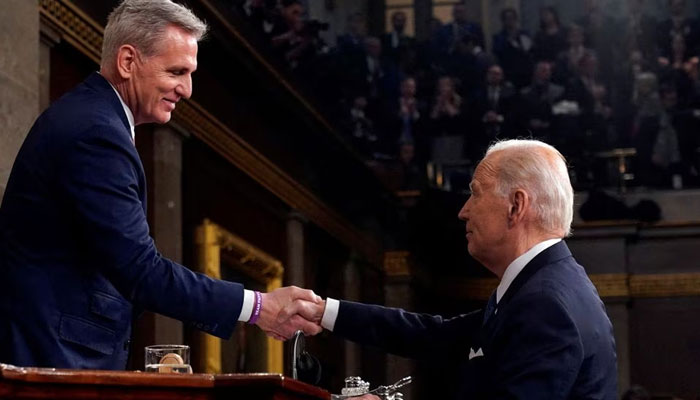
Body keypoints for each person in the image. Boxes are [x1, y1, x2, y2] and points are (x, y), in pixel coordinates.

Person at [0, 0, 320, 370]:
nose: (186, 90)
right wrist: (258, 308)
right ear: (128, 62)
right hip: (48, 361)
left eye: (190, 74)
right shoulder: (96, 132)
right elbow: (141, 270)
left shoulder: (95, 120)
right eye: (176, 72)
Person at [280, 139, 619, 399]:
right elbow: (433, 336)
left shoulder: (544, 303)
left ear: (516, 206)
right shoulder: (543, 286)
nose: (463, 211)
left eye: (475, 193)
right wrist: (322, 311)